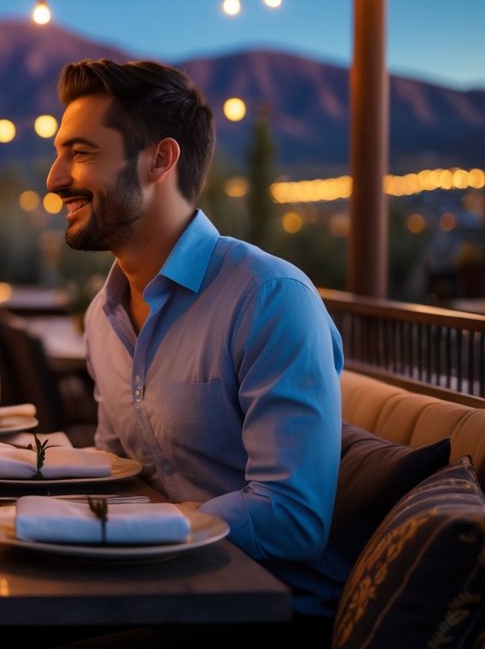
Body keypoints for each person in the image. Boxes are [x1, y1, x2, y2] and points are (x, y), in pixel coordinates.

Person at [52, 59, 343, 646]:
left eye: (80, 153)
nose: (55, 177)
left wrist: (131, 530)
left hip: (267, 611)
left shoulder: (269, 299)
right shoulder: (101, 316)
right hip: (159, 581)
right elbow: (121, 474)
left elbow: (293, 516)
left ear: (160, 160)